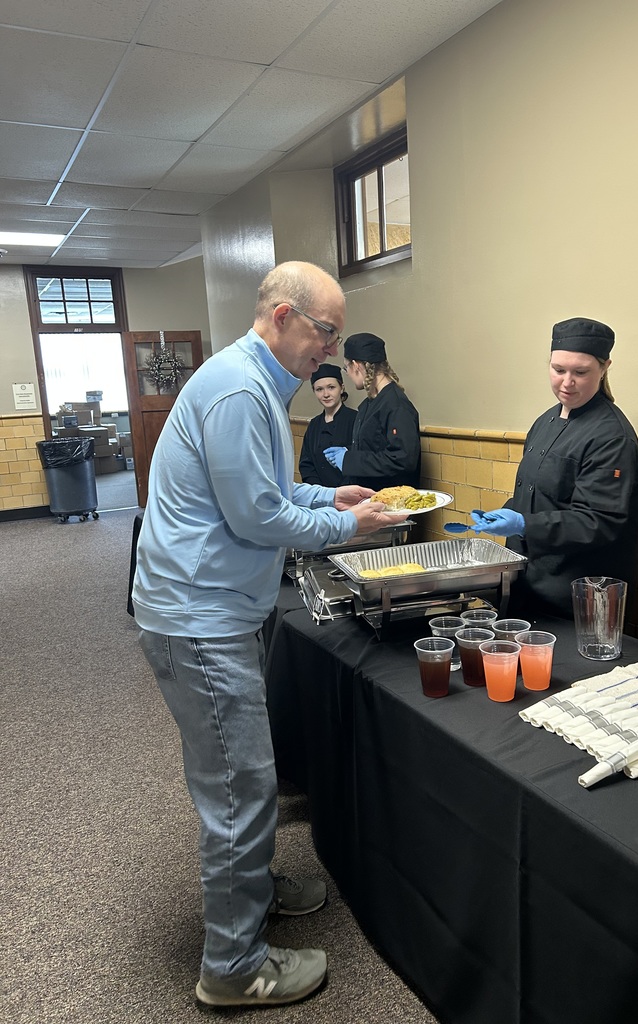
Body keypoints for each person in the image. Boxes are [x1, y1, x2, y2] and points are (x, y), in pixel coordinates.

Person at [131, 261, 406, 1008]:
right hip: (198, 617)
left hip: (215, 607)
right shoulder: (238, 390)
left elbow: (270, 489)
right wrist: (348, 526)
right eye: (327, 332)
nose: (332, 350)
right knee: (239, 787)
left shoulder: (253, 380)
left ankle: (249, 889)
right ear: (284, 316)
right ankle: (233, 966)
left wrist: (330, 495)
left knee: (241, 774)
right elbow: (257, 517)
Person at [467, 317, 638, 618]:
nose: (567, 382)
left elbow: (597, 522)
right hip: (527, 584)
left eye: (581, 372)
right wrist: (507, 512)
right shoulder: (544, 422)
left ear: (605, 367)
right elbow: (542, 496)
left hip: (578, 596)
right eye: (558, 370)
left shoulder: (612, 438)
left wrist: (523, 524)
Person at [323, 332, 421, 490]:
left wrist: (348, 460)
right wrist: (348, 452)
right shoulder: (371, 403)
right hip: (370, 496)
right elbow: (375, 446)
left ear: (356, 366)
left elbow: (402, 460)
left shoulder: (396, 405)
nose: (347, 374)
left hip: (391, 499)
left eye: (346, 368)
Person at [298, 362, 357, 487]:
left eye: (331, 387)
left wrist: (340, 493)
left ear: (342, 388)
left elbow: (360, 461)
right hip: (320, 494)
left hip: (350, 493)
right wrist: (319, 492)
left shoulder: (356, 419)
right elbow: (306, 464)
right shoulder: (314, 425)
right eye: (319, 389)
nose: (326, 394)